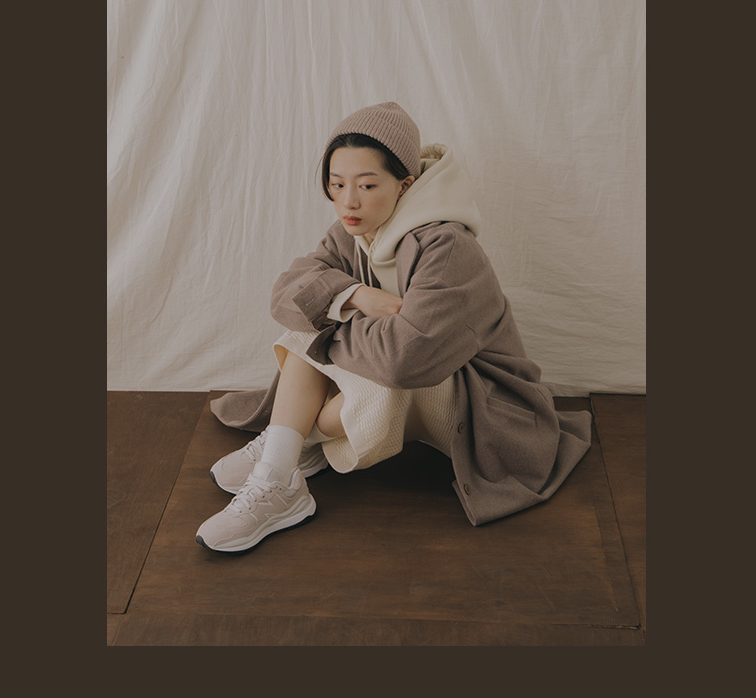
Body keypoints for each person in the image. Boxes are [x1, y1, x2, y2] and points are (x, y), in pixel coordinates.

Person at [196, 102, 592, 553]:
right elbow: (286, 294)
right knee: (314, 316)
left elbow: (406, 359)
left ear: (405, 185)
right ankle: (279, 470)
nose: (348, 201)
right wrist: (355, 296)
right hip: (417, 377)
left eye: (367, 185)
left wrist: (328, 316)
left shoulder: (447, 245)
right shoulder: (353, 230)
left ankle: (290, 443)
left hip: (481, 401)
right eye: (337, 184)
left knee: (350, 354)